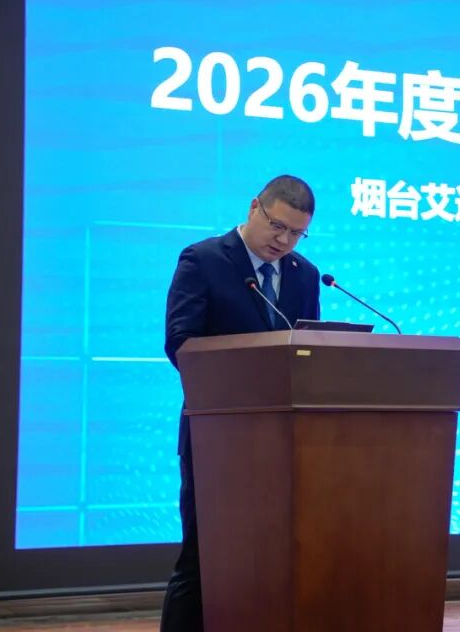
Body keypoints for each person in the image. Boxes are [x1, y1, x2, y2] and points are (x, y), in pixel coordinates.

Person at [159, 174, 320, 632]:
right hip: (218, 436)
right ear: (254, 208)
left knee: (269, 561)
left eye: (296, 234)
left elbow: (309, 350)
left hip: (283, 443)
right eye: (277, 226)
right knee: (202, 559)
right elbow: (181, 342)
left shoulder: (305, 275)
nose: (283, 241)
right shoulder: (204, 260)